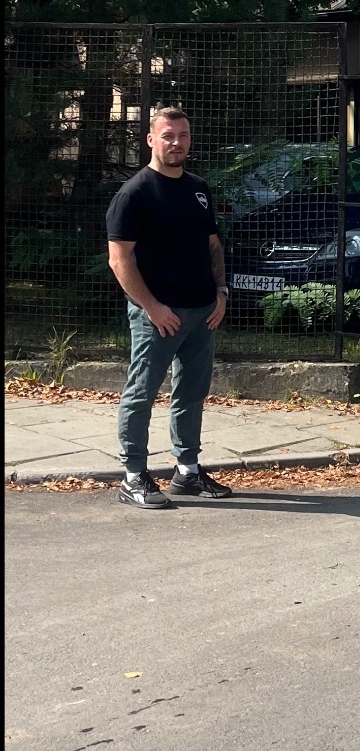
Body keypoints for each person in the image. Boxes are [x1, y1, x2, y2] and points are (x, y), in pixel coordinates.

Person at [106, 106, 234, 508]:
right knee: (141, 394)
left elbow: (212, 245)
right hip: (158, 316)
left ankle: (187, 471)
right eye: (167, 136)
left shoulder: (198, 188)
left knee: (192, 393)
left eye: (182, 135)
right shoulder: (134, 194)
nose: (176, 143)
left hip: (203, 312)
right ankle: (133, 477)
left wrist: (221, 293)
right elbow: (119, 259)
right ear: (151, 140)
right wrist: (151, 306)